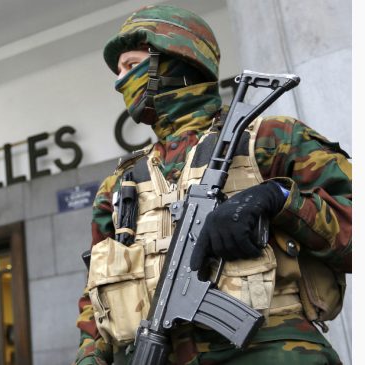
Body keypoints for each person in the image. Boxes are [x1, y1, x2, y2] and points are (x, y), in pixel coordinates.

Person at [74, 5, 351, 365]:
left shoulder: (268, 139)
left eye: (130, 65)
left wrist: (277, 198)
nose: (119, 81)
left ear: (173, 57)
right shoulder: (121, 182)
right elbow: (94, 305)